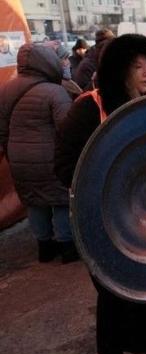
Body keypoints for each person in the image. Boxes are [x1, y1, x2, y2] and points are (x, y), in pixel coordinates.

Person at [54, 34, 146, 354]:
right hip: (103, 220)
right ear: (119, 70)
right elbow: (65, 165)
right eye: (137, 67)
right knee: (114, 291)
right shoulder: (89, 107)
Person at [0, 43, 75, 263]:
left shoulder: (5, 89)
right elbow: (66, 128)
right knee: (60, 198)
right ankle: (67, 246)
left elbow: (2, 129)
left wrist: (11, 152)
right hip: (49, 157)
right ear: (47, 63)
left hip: (18, 157)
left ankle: (44, 247)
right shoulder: (55, 91)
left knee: (34, 200)